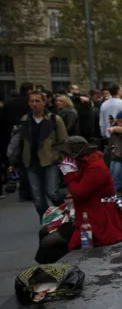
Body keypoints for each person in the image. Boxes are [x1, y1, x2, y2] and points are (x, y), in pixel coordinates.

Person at [35, 136, 122, 263]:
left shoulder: (95, 167)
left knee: (48, 242)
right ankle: (50, 270)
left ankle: (53, 272)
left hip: (98, 220)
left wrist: (69, 175)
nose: (63, 158)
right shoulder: (83, 164)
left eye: (65, 154)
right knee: (44, 232)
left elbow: (79, 193)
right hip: (86, 214)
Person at [18, 90, 68, 220]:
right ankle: (47, 221)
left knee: (52, 192)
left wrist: (60, 158)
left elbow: (63, 141)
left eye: (37, 101)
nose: (34, 104)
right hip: (31, 162)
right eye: (32, 101)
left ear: (44, 102)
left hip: (50, 161)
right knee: (38, 197)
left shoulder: (54, 119)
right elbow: (21, 142)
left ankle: (66, 214)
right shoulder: (25, 120)